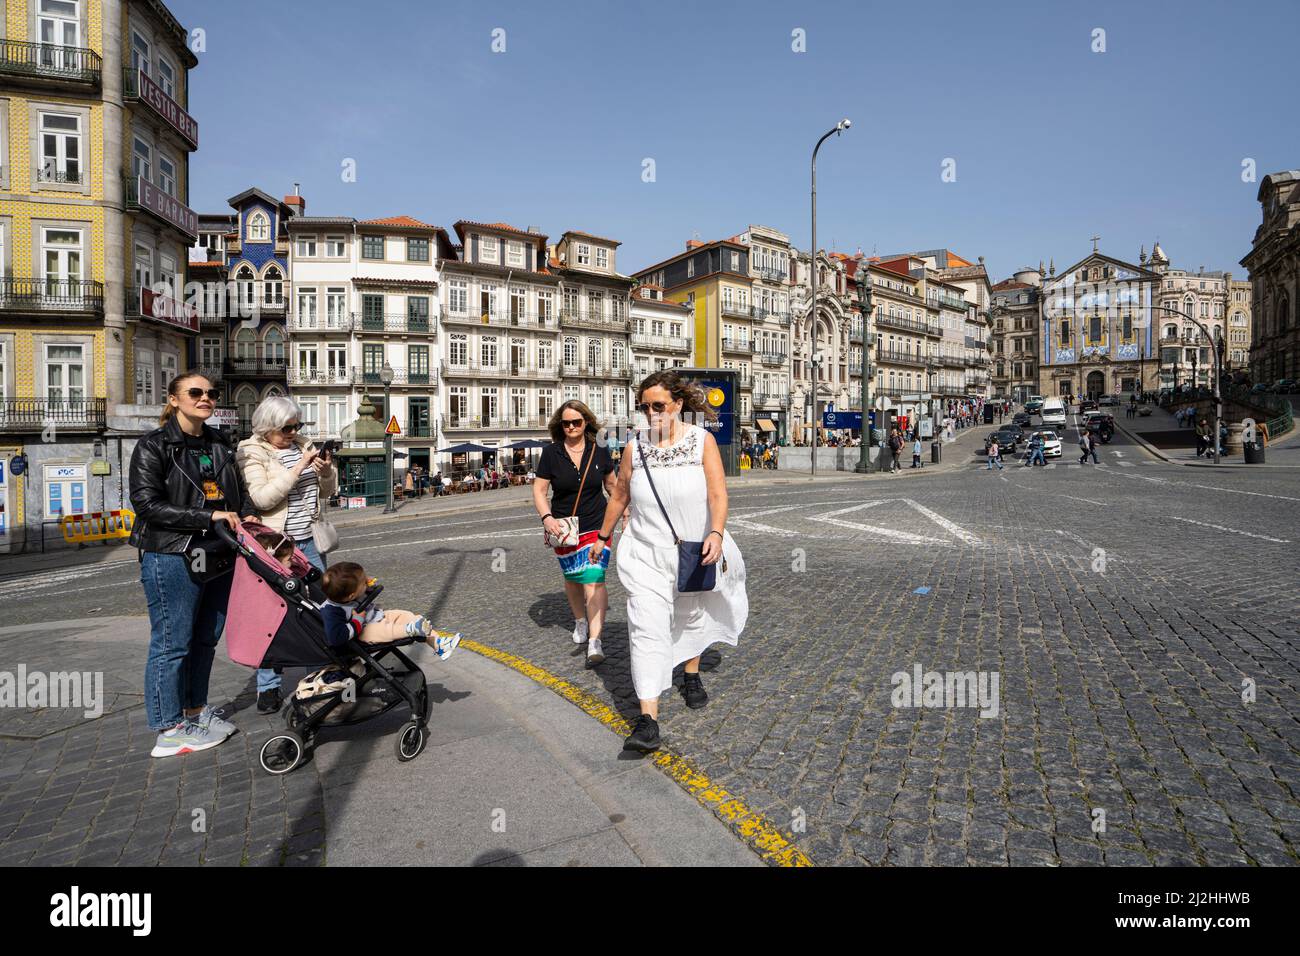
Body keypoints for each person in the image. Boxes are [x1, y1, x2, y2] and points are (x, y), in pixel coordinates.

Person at [594, 370, 747, 753]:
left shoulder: (701, 442)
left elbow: (717, 494)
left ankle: (690, 674)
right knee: (645, 626)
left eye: (658, 406)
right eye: (644, 407)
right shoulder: (635, 447)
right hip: (644, 551)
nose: (651, 414)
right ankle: (648, 720)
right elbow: (620, 496)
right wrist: (602, 537)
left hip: (694, 547)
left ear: (678, 405)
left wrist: (715, 532)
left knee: (691, 615)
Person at [130, 373, 257, 758]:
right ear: (173, 399)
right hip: (172, 552)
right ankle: (167, 728)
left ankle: (195, 712)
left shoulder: (219, 443)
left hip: (218, 552)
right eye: (195, 393)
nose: (205, 398)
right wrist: (208, 517)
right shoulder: (154, 446)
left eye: (210, 393)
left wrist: (246, 520)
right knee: (172, 643)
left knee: (205, 639)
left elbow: (240, 496)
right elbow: (147, 505)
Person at [237, 396, 338, 714]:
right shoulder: (251, 451)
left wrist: (325, 472)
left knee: (319, 609)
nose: (293, 432)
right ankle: (267, 686)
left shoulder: (304, 445)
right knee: (272, 616)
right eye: (286, 428)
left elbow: (327, 493)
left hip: (308, 542)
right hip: (275, 549)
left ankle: (317, 678)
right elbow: (263, 498)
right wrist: (298, 467)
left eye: (297, 425)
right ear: (267, 428)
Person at [534, 400, 617, 667]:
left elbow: (612, 486)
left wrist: (624, 513)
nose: (571, 427)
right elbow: (539, 490)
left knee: (594, 577)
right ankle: (580, 620)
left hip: (597, 524)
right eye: (566, 423)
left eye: (576, 422)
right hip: (564, 527)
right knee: (573, 578)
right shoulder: (551, 453)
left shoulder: (600, 450)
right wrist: (547, 518)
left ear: (586, 423)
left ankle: (595, 641)